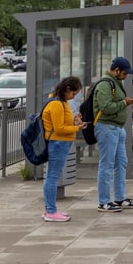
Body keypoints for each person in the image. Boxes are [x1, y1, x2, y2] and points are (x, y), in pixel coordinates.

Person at [94, 57, 133, 213]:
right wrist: (124, 103)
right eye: (125, 73)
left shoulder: (116, 83)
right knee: (106, 165)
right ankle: (104, 201)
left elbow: (117, 102)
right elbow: (106, 106)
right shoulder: (105, 84)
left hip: (117, 128)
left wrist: (127, 102)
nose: (126, 76)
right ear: (116, 70)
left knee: (121, 163)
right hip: (106, 127)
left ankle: (120, 197)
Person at [42, 76, 87, 222]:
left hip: (61, 142)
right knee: (53, 177)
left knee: (52, 176)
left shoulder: (61, 102)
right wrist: (76, 128)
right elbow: (59, 128)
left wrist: (75, 120)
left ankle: (50, 209)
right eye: (73, 94)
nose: (73, 97)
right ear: (67, 89)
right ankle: (50, 211)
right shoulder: (56, 104)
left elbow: (63, 122)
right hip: (58, 143)